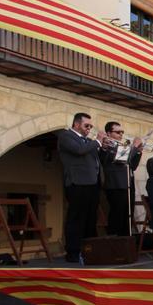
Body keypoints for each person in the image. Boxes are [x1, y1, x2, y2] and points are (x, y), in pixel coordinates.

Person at [57, 112, 105, 263]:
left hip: (92, 184)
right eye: (86, 126)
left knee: (91, 219)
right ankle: (72, 252)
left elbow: (94, 158)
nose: (89, 129)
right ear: (77, 124)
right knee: (76, 218)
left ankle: (89, 250)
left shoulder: (87, 141)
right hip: (77, 183)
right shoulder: (66, 136)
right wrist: (97, 142)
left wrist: (102, 146)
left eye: (90, 126)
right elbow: (79, 151)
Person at [99, 121, 142, 237]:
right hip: (115, 185)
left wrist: (138, 151)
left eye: (122, 132)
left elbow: (132, 165)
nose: (121, 135)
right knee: (117, 215)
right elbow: (119, 158)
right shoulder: (107, 146)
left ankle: (126, 241)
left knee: (128, 216)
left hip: (128, 185)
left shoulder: (122, 146)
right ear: (108, 133)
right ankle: (114, 242)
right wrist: (134, 147)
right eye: (118, 132)